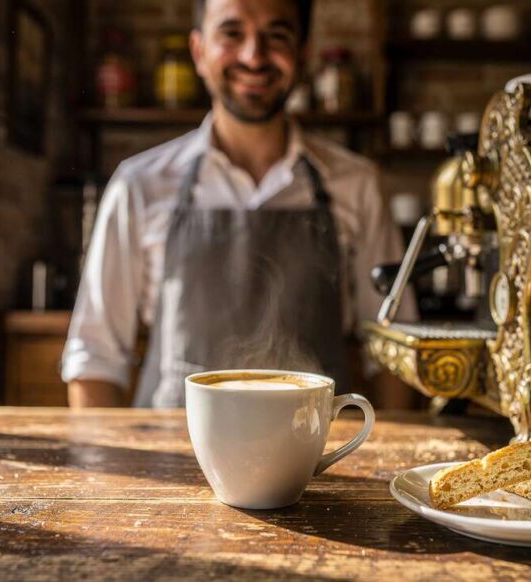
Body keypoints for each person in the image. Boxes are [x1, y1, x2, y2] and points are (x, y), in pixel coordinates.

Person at [62, 0, 415, 408]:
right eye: (232, 33)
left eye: (276, 35)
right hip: (168, 457)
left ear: (303, 52)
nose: (254, 56)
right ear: (198, 52)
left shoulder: (357, 185)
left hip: (315, 457)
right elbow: (95, 357)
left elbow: (395, 348)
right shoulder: (139, 185)